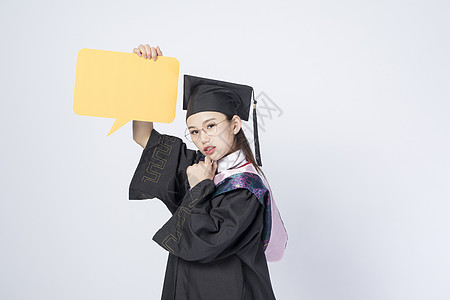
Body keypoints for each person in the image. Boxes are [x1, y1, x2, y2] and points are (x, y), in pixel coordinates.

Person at [129, 43, 288, 300]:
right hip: (184, 287)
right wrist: (144, 77)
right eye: (194, 131)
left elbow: (204, 241)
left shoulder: (246, 187)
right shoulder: (199, 165)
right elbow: (143, 136)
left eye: (211, 125)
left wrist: (200, 187)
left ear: (235, 124)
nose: (203, 138)